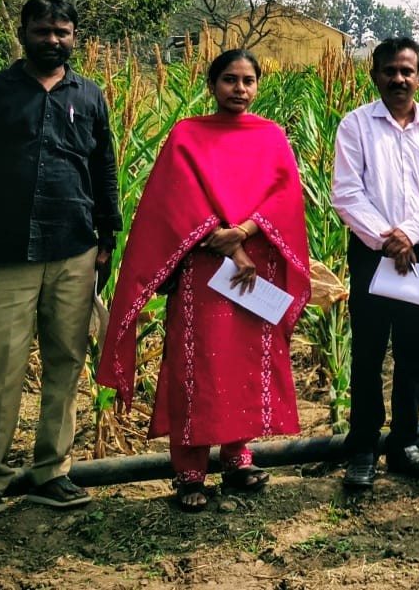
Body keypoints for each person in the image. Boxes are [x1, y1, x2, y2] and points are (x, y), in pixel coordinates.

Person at [99, 49, 311, 511]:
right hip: (202, 266)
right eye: (230, 79)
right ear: (212, 85)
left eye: (248, 80)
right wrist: (229, 244)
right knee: (197, 366)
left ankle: (237, 457)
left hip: (255, 269)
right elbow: (177, 200)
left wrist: (245, 233)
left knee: (244, 363)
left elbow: (285, 197)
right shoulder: (187, 135)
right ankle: (190, 471)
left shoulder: (271, 136)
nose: (240, 89)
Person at [0, 0, 121, 523]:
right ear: (23, 33)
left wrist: (107, 237)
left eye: (63, 32)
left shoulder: (88, 95)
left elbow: (103, 169)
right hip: (4, 251)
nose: (53, 40)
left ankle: (52, 473)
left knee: (66, 363)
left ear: (75, 38)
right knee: (2, 366)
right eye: (43, 31)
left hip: (74, 250)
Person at [332, 36, 419, 489]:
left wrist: (410, 233)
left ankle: (405, 442)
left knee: (414, 350)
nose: (398, 79)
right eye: (389, 71)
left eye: (407, 71)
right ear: (374, 76)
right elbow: (347, 193)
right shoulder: (355, 126)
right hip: (372, 252)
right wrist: (387, 238)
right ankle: (363, 447)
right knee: (368, 352)